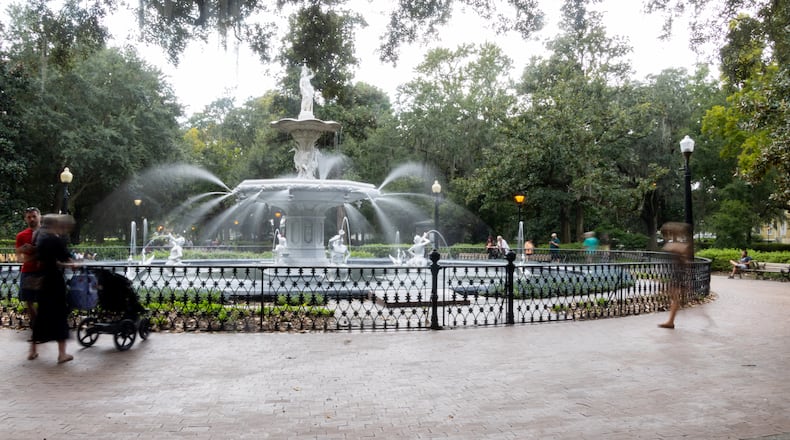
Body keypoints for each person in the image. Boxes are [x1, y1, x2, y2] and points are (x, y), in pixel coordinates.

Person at [29, 214, 75, 363]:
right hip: (55, 282)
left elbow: (43, 259)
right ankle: (62, 354)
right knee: (60, 315)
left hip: (43, 281)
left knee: (42, 315)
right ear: (55, 225)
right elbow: (65, 259)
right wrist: (74, 265)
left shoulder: (41, 240)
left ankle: (33, 351)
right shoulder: (55, 240)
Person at [658, 222, 692, 330]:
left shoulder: (681, 246)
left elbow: (684, 258)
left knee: (674, 298)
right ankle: (671, 321)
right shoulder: (677, 245)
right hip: (674, 274)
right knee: (674, 298)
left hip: (678, 274)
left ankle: (671, 321)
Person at [15, 207, 42, 326]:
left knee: (44, 300)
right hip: (28, 271)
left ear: (39, 217)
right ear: (25, 219)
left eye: (34, 216)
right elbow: (19, 257)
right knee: (28, 300)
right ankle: (37, 326)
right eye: (29, 217)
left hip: (44, 272)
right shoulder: (21, 236)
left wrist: (34, 249)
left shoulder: (48, 233)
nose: (32, 219)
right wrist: (21, 250)